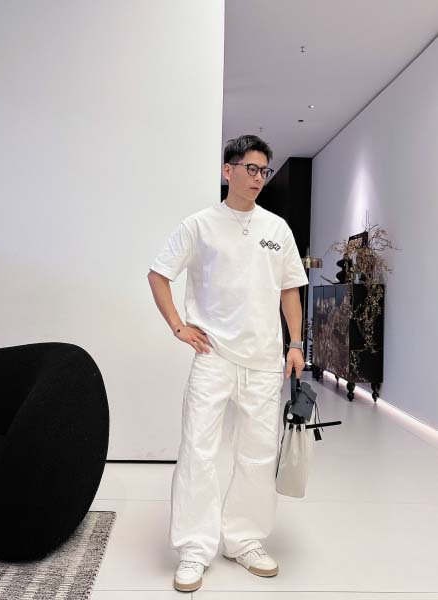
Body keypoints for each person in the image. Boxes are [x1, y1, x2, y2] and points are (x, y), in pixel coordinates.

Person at [147, 134, 308, 593]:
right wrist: (178, 326)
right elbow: (158, 274)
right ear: (228, 171)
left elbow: (289, 290)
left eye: (264, 171)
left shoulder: (277, 229)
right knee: (198, 452)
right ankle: (194, 549)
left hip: (264, 360)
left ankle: (244, 540)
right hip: (213, 357)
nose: (258, 178)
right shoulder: (199, 225)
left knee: (258, 453)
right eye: (250, 169)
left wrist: (296, 344)